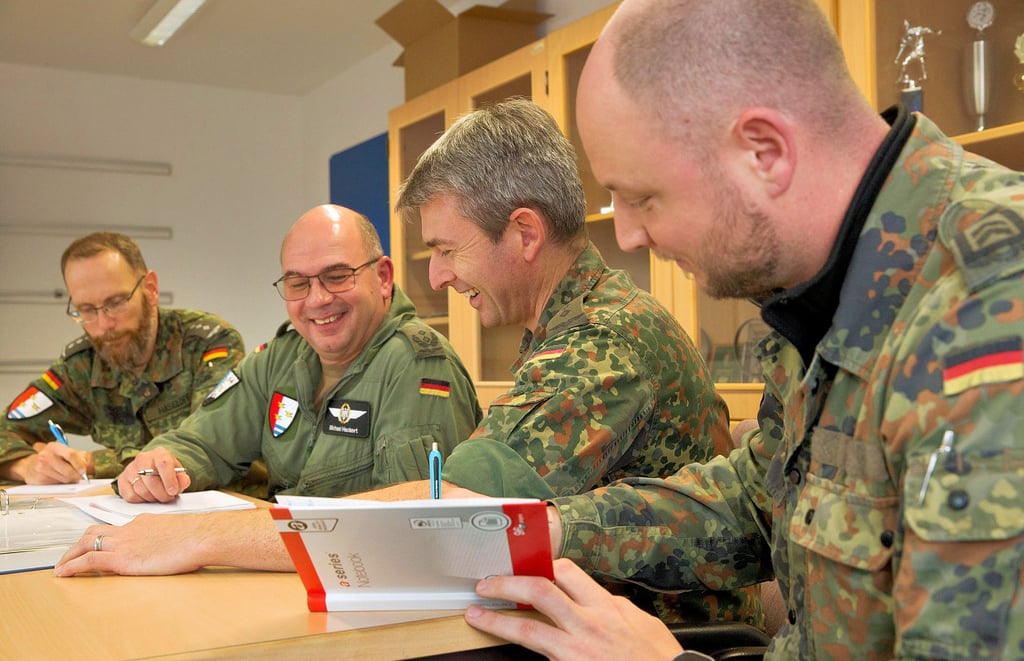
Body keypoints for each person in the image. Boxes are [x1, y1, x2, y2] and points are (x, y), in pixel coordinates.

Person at [453, 0, 1024, 659]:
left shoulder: (987, 306)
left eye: (642, 197)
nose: (630, 235)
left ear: (764, 151)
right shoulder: (821, 293)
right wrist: (546, 530)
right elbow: (756, 498)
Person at [56, 103, 753, 629]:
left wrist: (193, 536)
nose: (442, 276)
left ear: (524, 233)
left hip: (652, 637)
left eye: (448, 250)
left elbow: (446, 514)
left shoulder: (604, 340)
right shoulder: (569, 324)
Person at [108, 204, 481, 503]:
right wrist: (161, 463)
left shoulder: (417, 365)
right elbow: (203, 441)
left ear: (383, 278)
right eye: (297, 283)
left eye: (337, 276)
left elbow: (409, 523)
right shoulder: (280, 359)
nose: (317, 300)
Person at [0, 232, 244, 484]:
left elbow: (205, 445)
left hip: (219, 505)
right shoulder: (83, 365)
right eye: (86, 310)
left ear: (150, 289)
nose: (104, 325)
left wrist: (92, 463)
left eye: (115, 303)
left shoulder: (207, 343)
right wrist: (25, 466)